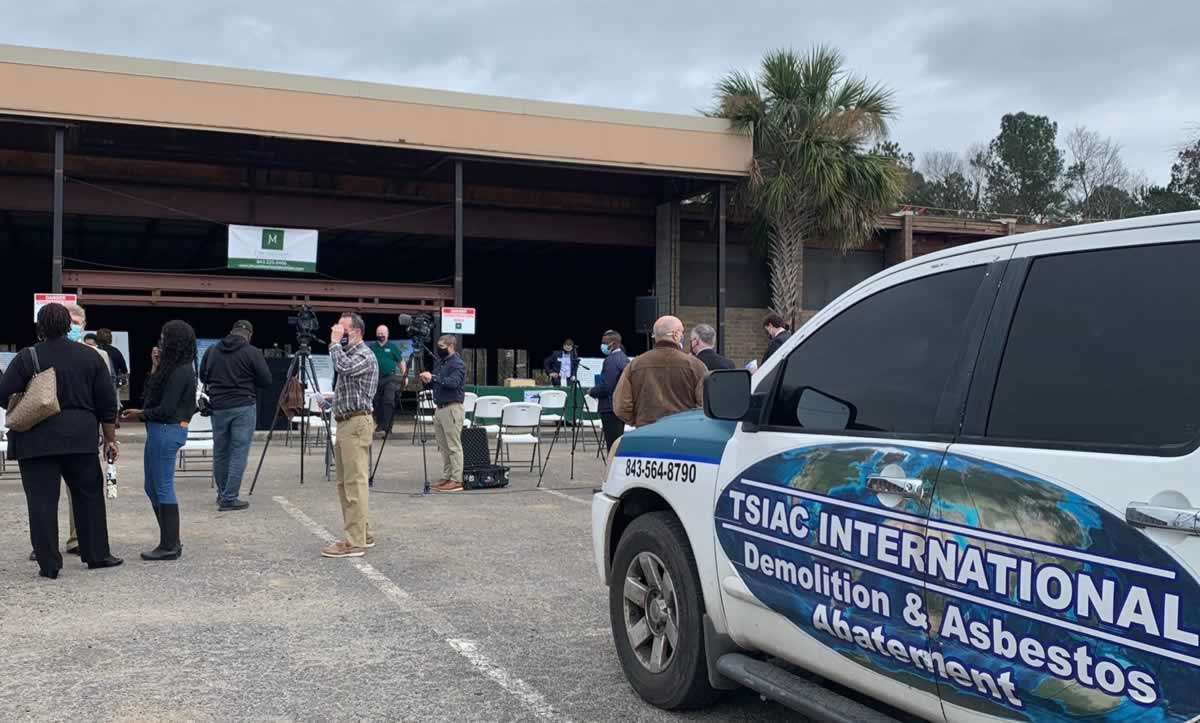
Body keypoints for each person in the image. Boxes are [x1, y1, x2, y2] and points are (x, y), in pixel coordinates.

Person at [0, 302, 123, 578]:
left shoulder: (26, 357)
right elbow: (106, 404)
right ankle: (97, 555)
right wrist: (110, 439)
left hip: (35, 440)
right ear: (69, 326)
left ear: (40, 327)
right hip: (79, 439)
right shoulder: (90, 357)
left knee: (42, 502)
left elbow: (2, 394)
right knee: (88, 497)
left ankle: (49, 564)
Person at [121, 320, 197, 562]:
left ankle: (170, 544)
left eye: (164, 338)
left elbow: (165, 409)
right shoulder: (170, 368)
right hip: (158, 430)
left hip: (167, 430)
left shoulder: (182, 371)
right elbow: (149, 397)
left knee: (162, 487)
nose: (160, 343)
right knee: (151, 486)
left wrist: (139, 414)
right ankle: (169, 540)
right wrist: (154, 368)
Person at [200, 319, 271, 511]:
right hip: (243, 405)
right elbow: (266, 380)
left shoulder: (212, 350)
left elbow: (202, 376)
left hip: (218, 406)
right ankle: (230, 498)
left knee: (221, 451)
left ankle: (222, 494)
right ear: (249, 335)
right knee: (239, 452)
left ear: (231, 332)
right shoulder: (252, 352)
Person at [323, 312, 379, 558]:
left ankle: (355, 542)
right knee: (346, 484)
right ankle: (362, 532)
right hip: (347, 421)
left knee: (354, 484)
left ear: (355, 331)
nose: (337, 330)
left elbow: (343, 367)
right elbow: (350, 386)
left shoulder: (364, 355)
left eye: (342, 328)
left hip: (356, 423)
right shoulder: (351, 355)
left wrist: (334, 343)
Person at [614, 316, 707, 428]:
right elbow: (705, 405)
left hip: (646, 432)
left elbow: (621, 406)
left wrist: (638, 421)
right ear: (676, 334)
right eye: (682, 332)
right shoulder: (696, 366)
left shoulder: (634, 365)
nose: (683, 336)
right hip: (682, 433)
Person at [421, 335, 467, 492]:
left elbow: (453, 383)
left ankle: (456, 479)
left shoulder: (458, 364)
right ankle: (447, 476)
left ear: (451, 346)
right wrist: (430, 380)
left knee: (454, 446)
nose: (438, 350)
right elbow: (439, 380)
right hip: (439, 408)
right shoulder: (441, 363)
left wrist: (434, 377)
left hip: (452, 407)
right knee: (443, 445)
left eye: (442, 346)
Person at [588, 330, 630, 453]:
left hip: (609, 407)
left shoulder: (611, 360)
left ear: (612, 344)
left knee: (612, 447)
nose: (602, 345)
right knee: (617, 444)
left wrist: (593, 391)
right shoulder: (624, 358)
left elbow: (607, 387)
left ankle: (612, 470)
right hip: (619, 406)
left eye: (604, 342)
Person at [370, 324, 407, 439]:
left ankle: (385, 427)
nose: (380, 335)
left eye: (383, 333)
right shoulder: (372, 347)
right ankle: (381, 426)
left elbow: (401, 362)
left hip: (390, 378)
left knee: (389, 401)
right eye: (379, 333)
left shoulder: (392, 347)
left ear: (387, 334)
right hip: (376, 379)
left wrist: (404, 376)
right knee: (377, 403)